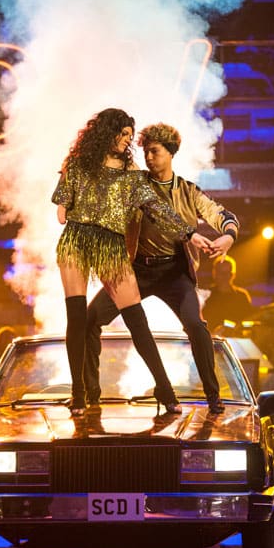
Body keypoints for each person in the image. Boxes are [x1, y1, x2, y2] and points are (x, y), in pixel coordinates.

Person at [52, 109, 212, 417]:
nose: (128, 140)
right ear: (108, 132)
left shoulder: (130, 172)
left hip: (111, 245)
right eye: (124, 134)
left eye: (130, 135)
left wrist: (190, 234)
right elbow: (61, 211)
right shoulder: (76, 164)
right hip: (76, 241)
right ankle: (79, 394)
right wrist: (75, 204)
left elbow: (156, 208)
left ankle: (165, 389)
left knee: (136, 318)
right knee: (78, 318)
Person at [84, 121, 239, 414]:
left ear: (170, 152)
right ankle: (92, 395)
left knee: (196, 326)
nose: (149, 157)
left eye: (154, 151)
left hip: (174, 273)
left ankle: (213, 395)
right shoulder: (136, 183)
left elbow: (222, 215)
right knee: (89, 321)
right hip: (136, 271)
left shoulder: (189, 192)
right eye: (145, 152)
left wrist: (228, 236)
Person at [201, 255, 253, 335]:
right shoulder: (205, 295)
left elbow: (247, 321)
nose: (224, 276)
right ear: (214, 273)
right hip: (209, 339)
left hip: (234, 338)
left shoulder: (241, 296)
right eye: (221, 272)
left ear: (233, 274)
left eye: (227, 272)